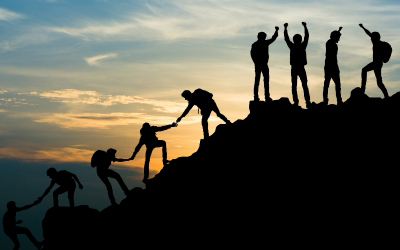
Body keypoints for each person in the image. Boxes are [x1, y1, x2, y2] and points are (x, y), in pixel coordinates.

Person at [284, 22, 311, 108]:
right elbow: (306, 37)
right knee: (303, 85)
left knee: (296, 85)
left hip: (296, 67)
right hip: (299, 67)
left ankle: (298, 102)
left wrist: (285, 29)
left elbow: (287, 39)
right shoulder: (302, 46)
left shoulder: (293, 46)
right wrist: (305, 27)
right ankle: (306, 102)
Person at [359, 24, 389, 98]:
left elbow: (369, 34)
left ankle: (363, 89)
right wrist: (363, 27)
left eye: (372, 38)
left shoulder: (377, 43)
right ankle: (386, 96)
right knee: (379, 82)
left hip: (377, 63)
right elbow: (369, 33)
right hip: (377, 63)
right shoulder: (377, 43)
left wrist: (363, 27)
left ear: (375, 38)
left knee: (364, 70)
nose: (371, 39)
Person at [251, 27, 279, 101]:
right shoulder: (256, 44)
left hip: (263, 64)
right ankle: (257, 96)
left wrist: (276, 31)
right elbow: (252, 54)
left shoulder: (262, 43)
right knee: (259, 81)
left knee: (264, 81)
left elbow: (273, 38)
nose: (263, 38)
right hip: (260, 64)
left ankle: (265, 96)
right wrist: (256, 62)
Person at [323, 27, 343, 105]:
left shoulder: (330, 42)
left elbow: (334, 35)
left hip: (331, 65)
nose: (339, 39)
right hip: (331, 66)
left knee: (331, 83)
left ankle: (334, 100)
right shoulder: (330, 43)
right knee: (330, 83)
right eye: (338, 37)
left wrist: (339, 30)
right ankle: (336, 100)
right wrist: (338, 31)